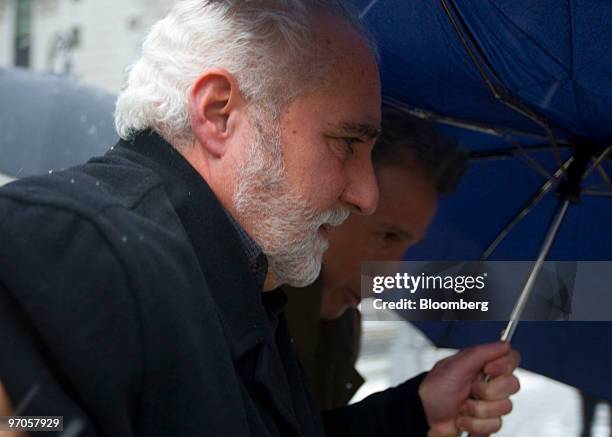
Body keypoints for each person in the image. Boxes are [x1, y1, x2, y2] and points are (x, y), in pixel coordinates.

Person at [0, 1, 519, 436]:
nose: (366, 194)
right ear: (219, 112)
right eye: (347, 143)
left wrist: (412, 412)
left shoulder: (242, 279)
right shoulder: (72, 250)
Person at [285, 103, 468, 410]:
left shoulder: (340, 326)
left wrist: (417, 412)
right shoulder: (224, 305)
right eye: (388, 236)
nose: (390, 275)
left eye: (407, 247)